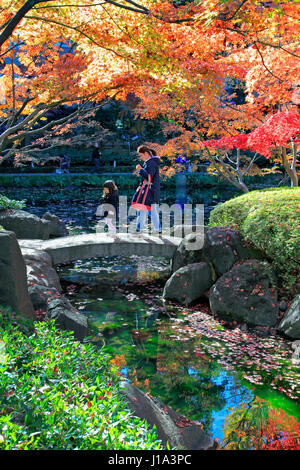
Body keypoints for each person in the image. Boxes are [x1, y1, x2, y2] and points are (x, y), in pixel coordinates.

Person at [131, 145, 161, 233]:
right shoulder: (150, 162)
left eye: (141, 155)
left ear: (146, 153)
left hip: (151, 191)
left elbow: (149, 176)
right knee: (143, 209)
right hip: (148, 190)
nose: (140, 157)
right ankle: (140, 228)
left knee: (152, 210)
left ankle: (156, 229)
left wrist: (140, 170)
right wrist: (140, 186)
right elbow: (146, 178)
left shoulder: (151, 163)